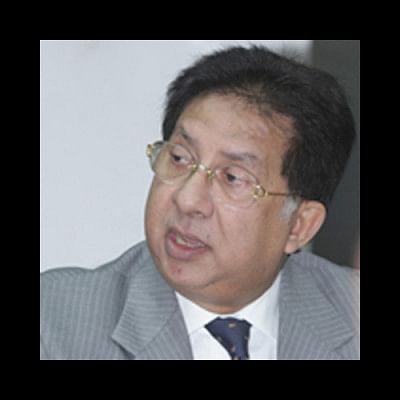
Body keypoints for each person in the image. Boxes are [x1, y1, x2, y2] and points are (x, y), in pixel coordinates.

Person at [40, 45, 360, 360]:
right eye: (180, 158)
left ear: (300, 226)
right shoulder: (54, 323)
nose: (187, 199)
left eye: (232, 177)